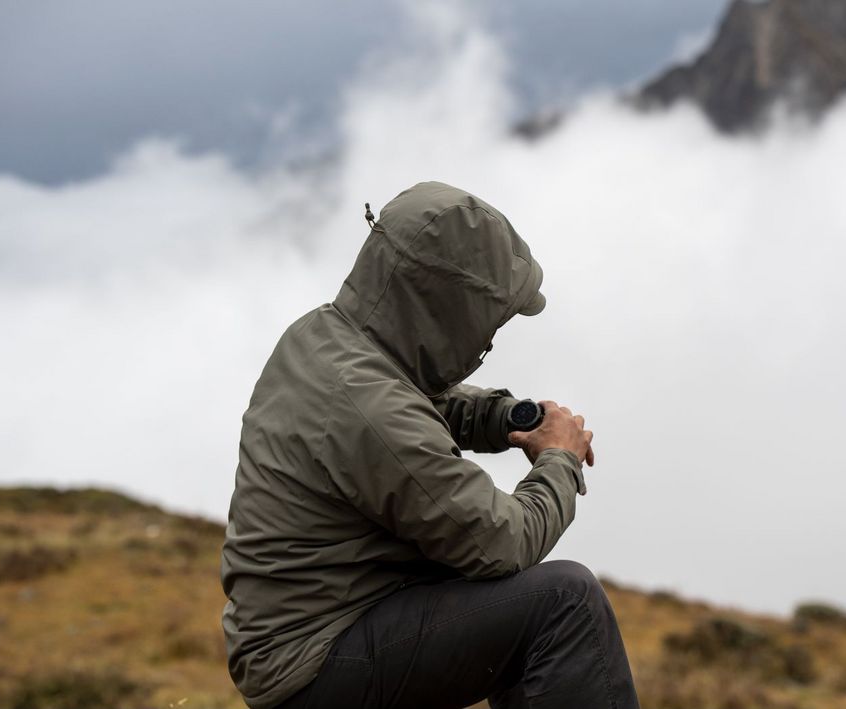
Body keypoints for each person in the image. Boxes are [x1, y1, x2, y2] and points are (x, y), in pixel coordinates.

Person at [220, 181, 640, 709]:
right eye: (487, 320)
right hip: (316, 666)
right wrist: (559, 461)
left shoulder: (324, 339)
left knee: (514, 601)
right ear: (446, 307)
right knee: (564, 602)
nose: (488, 340)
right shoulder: (369, 407)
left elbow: (417, 403)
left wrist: (510, 416)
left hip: (310, 636)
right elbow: (500, 542)